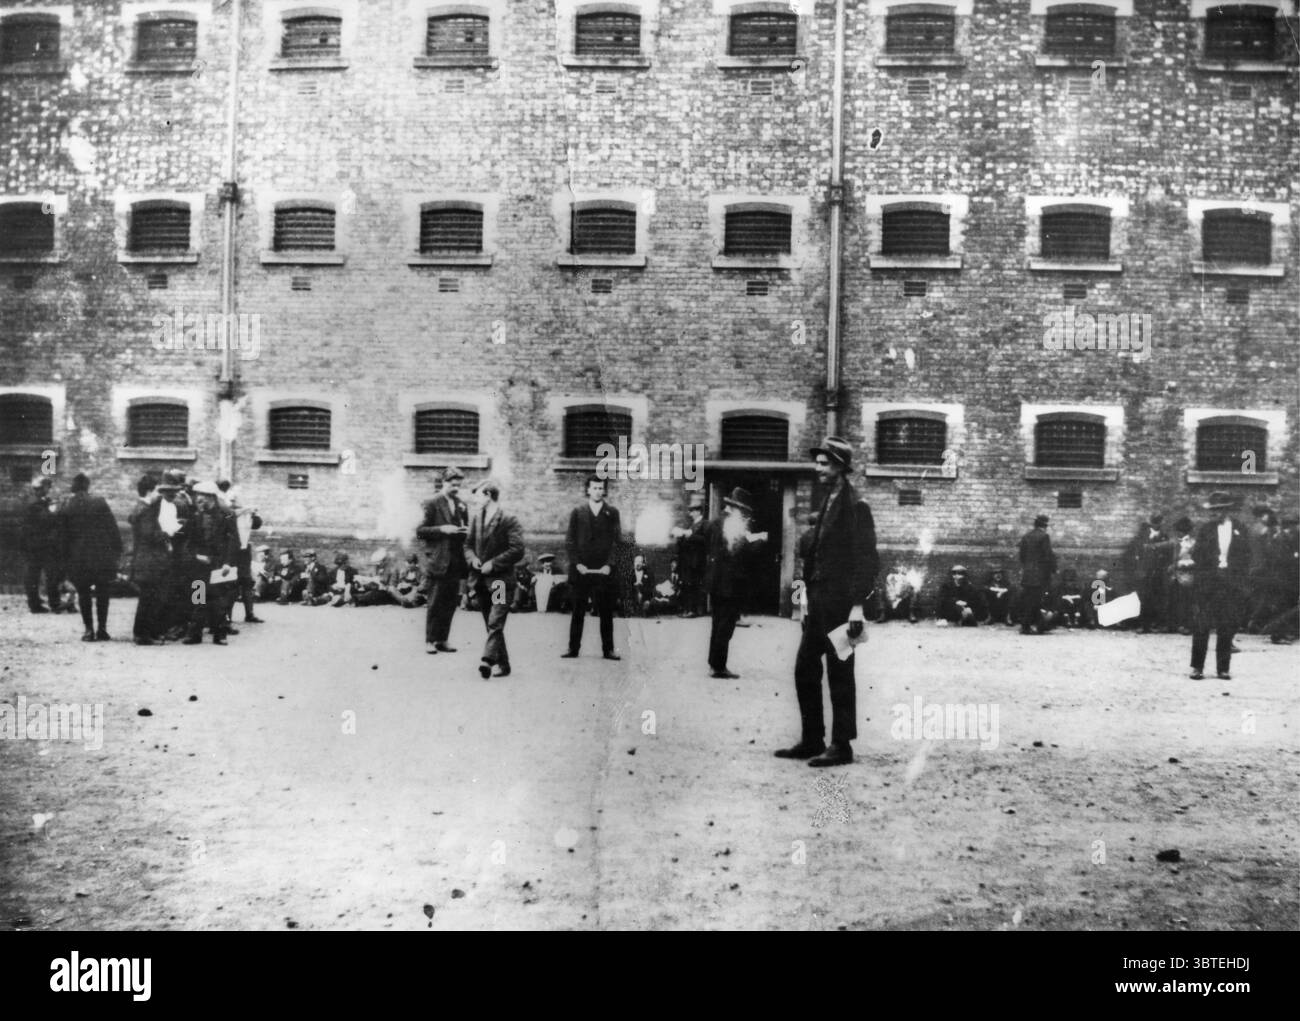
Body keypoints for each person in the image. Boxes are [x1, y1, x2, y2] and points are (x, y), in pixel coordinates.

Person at [777, 437, 879, 768]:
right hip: (818, 602)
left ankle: (841, 745)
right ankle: (812, 739)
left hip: (841, 605)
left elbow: (867, 560)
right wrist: (802, 600)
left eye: (824, 463)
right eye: (818, 462)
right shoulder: (827, 500)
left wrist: (858, 606)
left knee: (840, 672)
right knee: (805, 667)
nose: (818, 467)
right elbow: (813, 556)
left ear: (839, 466)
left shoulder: (855, 506)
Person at [463, 479, 525, 678]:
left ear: (489, 495)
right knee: (490, 623)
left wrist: (494, 563)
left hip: (499, 581)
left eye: (478, 495)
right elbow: (467, 545)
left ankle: (487, 660)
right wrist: (472, 559)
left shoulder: (508, 519)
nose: (475, 500)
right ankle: (504, 665)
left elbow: (517, 549)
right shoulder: (476, 518)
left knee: (495, 621)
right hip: (480, 581)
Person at [705, 488, 768, 678]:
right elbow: (739, 554)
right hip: (729, 585)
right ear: (736, 508)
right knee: (725, 625)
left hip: (717, 582)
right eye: (744, 512)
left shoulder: (716, 522)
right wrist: (759, 542)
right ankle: (718, 666)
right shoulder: (731, 525)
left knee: (718, 623)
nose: (746, 516)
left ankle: (714, 662)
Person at [1189, 491, 1250, 680]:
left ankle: (1223, 668)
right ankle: (1197, 667)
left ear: (1226, 510)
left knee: (1227, 625)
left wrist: (1234, 573)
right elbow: (1197, 554)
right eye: (1212, 510)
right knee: (1202, 625)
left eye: (1218, 510)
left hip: (1230, 584)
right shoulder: (1205, 529)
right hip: (1209, 583)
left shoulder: (1240, 529)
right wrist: (1210, 568)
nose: (1214, 514)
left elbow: (1246, 556)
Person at [562, 475, 623, 661]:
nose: (597, 491)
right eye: (594, 488)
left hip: (603, 571)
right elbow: (570, 541)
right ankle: (573, 648)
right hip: (581, 570)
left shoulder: (612, 513)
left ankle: (608, 649)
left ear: (604, 490)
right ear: (588, 490)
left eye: (600, 488)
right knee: (578, 610)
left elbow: (616, 542)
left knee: (605, 611)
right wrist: (577, 563)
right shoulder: (578, 512)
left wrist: (609, 565)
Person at [58, 473, 123, 642]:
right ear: (87, 486)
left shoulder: (67, 505)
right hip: (101, 556)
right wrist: (117, 551)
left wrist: (65, 560)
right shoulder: (99, 502)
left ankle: (88, 630)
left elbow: (62, 537)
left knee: (83, 593)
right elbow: (112, 528)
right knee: (103, 593)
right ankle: (102, 629)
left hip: (78, 558)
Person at [416, 466, 469, 654]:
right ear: (444, 482)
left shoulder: (461, 504)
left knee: (450, 601)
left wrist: (465, 531)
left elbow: (465, 527)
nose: (456, 488)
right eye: (453, 485)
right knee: (435, 602)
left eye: (458, 485)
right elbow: (420, 531)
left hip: (455, 560)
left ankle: (442, 639)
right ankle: (430, 640)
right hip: (438, 560)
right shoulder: (431, 502)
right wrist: (442, 530)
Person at [182, 482, 240, 645]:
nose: (199, 499)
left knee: (219, 599)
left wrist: (228, 562)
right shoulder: (195, 516)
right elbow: (189, 541)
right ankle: (195, 633)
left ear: (212, 497)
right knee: (197, 598)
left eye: (203, 496)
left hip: (219, 564)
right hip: (200, 564)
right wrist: (195, 556)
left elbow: (233, 540)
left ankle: (220, 633)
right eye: (198, 495)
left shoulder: (227, 514)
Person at [127, 473, 170, 645]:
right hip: (149, 560)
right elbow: (149, 534)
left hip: (145, 559)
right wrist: (166, 533)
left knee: (150, 596)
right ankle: (142, 634)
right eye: (157, 491)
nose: (159, 495)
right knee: (148, 597)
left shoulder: (141, 508)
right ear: (149, 491)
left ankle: (147, 632)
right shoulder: (146, 511)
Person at [219, 481, 264, 624]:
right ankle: (226, 617)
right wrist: (245, 509)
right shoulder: (227, 510)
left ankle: (249, 613)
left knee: (246, 582)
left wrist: (254, 513)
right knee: (230, 583)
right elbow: (230, 514)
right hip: (231, 551)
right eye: (233, 497)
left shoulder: (245, 511)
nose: (234, 500)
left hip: (244, 550)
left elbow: (257, 524)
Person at [22, 476, 62, 613]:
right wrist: (53, 510)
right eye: (47, 487)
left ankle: (36, 603)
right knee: (48, 574)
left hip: (37, 545)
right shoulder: (34, 503)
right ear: (41, 488)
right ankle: (52, 603)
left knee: (36, 574)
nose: (49, 489)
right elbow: (45, 520)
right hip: (39, 546)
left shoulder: (37, 501)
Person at [1018, 513, 1057, 634]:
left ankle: (1040, 625)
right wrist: (1053, 570)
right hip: (1039, 576)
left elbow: (1022, 556)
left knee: (1028, 600)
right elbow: (1047, 556)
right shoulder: (1044, 536)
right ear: (1045, 526)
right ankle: (1026, 626)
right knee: (1035, 601)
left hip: (1028, 575)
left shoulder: (1026, 536)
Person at [671, 494, 709, 617]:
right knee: (688, 585)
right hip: (688, 561)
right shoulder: (692, 525)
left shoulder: (704, 524)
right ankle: (690, 609)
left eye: (692, 511)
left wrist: (689, 535)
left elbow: (705, 540)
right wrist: (680, 535)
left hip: (697, 561)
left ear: (698, 512)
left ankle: (694, 610)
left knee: (694, 585)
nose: (690, 514)